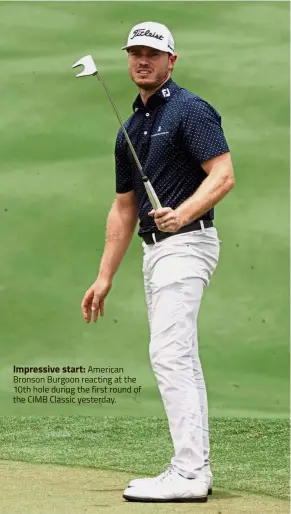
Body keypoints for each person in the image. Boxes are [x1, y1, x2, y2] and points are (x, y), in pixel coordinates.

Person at [81, 21, 235, 503]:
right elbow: (124, 208)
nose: (141, 61)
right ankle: (194, 470)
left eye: (152, 53)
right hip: (156, 252)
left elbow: (224, 175)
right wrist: (105, 276)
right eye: (134, 53)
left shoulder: (191, 110)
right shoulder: (129, 129)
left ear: (172, 60)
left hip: (189, 243)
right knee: (177, 355)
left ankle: (189, 473)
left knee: (169, 354)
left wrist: (183, 212)